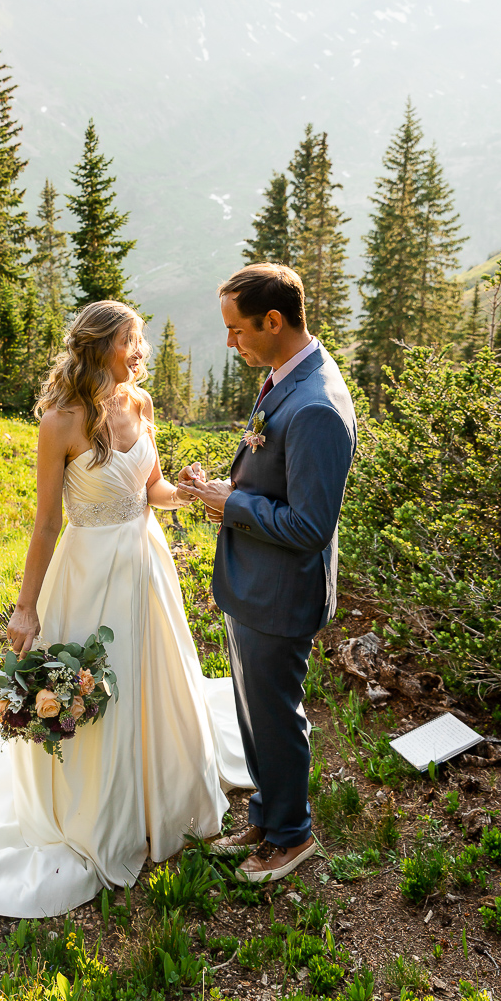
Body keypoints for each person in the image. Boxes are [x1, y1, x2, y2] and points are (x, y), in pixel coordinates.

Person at [0, 300, 250, 918]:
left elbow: (154, 491)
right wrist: (27, 608)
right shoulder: (60, 423)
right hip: (88, 577)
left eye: (140, 343)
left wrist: (191, 492)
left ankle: (158, 799)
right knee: (99, 689)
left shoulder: (139, 407)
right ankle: (98, 810)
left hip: (146, 568)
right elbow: (45, 524)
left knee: (154, 683)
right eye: (132, 343)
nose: (141, 353)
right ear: (100, 348)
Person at [179, 264, 357, 883]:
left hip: (280, 593)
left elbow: (310, 526)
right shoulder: (288, 374)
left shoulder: (315, 407)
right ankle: (267, 811)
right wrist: (227, 488)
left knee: (276, 715)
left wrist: (232, 505)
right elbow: (276, 477)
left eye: (236, 331)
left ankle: (291, 835)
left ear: (274, 321)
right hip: (254, 583)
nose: (232, 343)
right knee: (252, 708)